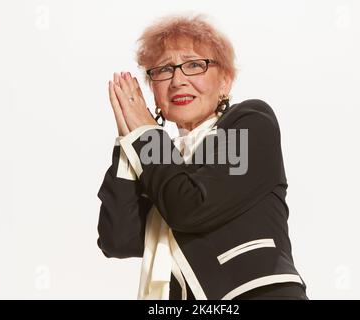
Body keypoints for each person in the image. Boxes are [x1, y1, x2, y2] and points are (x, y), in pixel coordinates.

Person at [97, 14, 307, 300]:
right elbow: (118, 240)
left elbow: (190, 207)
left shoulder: (249, 122)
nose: (178, 80)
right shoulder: (158, 156)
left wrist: (146, 135)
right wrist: (128, 142)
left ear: (225, 81)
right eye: (163, 70)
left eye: (194, 64)